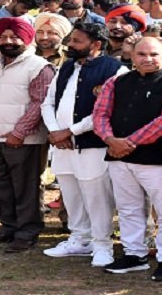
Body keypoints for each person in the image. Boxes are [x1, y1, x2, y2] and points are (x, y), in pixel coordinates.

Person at [94, 38, 162, 282]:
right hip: (118, 157)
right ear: (132, 55)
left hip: (156, 159)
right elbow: (100, 114)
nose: (148, 59)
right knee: (128, 209)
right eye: (142, 54)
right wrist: (110, 139)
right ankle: (134, 255)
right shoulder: (116, 81)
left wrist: (129, 142)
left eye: (154, 54)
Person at [41, 22, 127, 267]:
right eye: (71, 39)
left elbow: (106, 110)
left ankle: (102, 245)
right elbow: (48, 102)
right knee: (71, 194)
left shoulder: (115, 70)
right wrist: (55, 132)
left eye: (77, 41)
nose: (70, 44)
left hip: (92, 145)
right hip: (62, 146)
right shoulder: (66, 66)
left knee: (96, 198)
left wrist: (71, 131)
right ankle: (79, 239)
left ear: (96, 44)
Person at [0, 17, 55, 253]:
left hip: (24, 141)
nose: (8, 41)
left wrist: (19, 132)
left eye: (14, 37)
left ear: (27, 39)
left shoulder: (39, 66)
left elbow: (40, 103)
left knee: (26, 188)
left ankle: (27, 232)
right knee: (1, 186)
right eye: (3, 37)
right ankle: (9, 227)